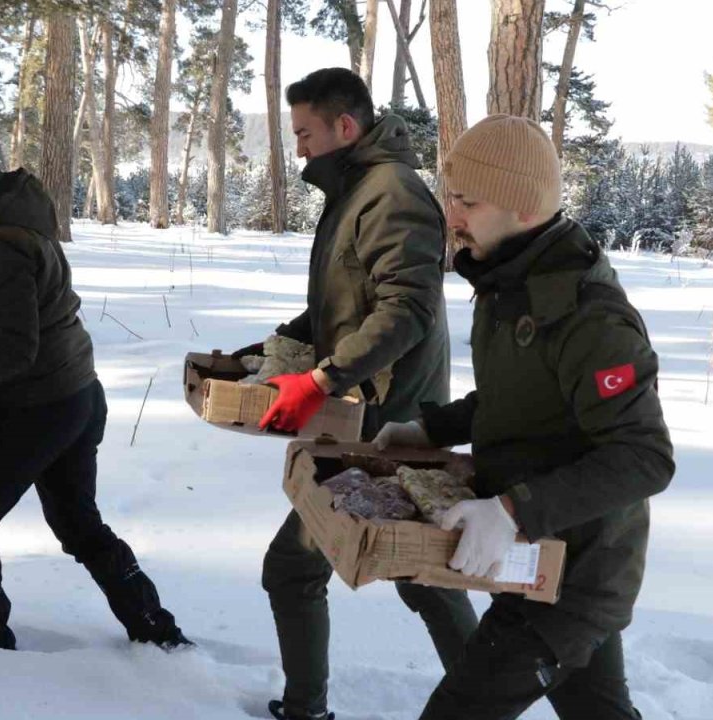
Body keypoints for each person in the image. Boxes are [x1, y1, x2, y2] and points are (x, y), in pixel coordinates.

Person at [375, 115, 674, 719]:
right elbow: (525, 398)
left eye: (468, 201)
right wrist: (433, 429)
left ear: (524, 208)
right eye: (450, 196)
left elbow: (644, 457)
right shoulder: (510, 280)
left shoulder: (590, 317)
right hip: (544, 558)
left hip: (576, 571)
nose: (452, 216)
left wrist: (512, 512)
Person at [0, 125, 190, 653]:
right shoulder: (10, 215)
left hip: (38, 406)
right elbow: (24, 308)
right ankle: (156, 630)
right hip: (75, 394)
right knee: (78, 524)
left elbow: (11, 347)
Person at [233, 68, 478, 720]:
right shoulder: (358, 190)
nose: (301, 148)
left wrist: (320, 380)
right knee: (422, 578)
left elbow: (404, 314)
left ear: (346, 126)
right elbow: (347, 300)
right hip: (366, 411)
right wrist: (276, 347)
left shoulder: (390, 193)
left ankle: (308, 710)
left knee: (298, 568)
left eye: (307, 133)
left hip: (392, 421)